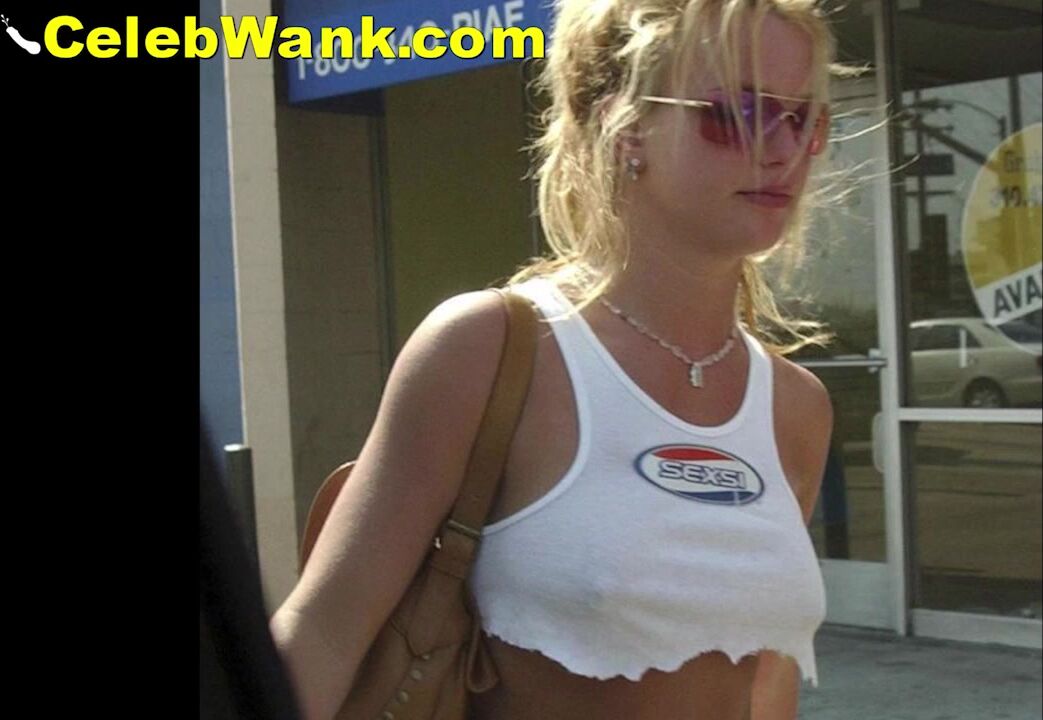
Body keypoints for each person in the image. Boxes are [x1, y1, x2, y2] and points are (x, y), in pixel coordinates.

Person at [270, 1, 842, 718]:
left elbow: (765, 676)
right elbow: (323, 631)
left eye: (803, 119)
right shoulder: (489, 349)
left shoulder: (795, 406)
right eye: (737, 114)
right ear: (625, 126)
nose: (782, 149)